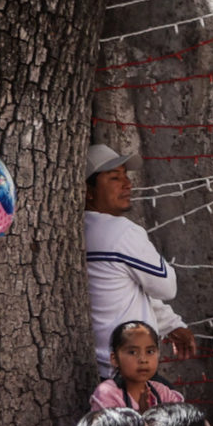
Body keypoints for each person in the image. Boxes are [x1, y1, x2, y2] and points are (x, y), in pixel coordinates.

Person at [83, 144, 195, 377]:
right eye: (114, 178)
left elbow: (124, 288)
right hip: (126, 370)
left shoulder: (79, 229)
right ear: (88, 191)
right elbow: (167, 287)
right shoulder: (121, 231)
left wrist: (171, 324)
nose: (127, 184)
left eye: (126, 176)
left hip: (93, 366)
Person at [89, 320, 186, 415]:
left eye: (150, 352)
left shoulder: (161, 392)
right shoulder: (108, 394)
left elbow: (181, 421)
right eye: (132, 352)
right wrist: (143, 414)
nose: (143, 360)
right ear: (114, 359)